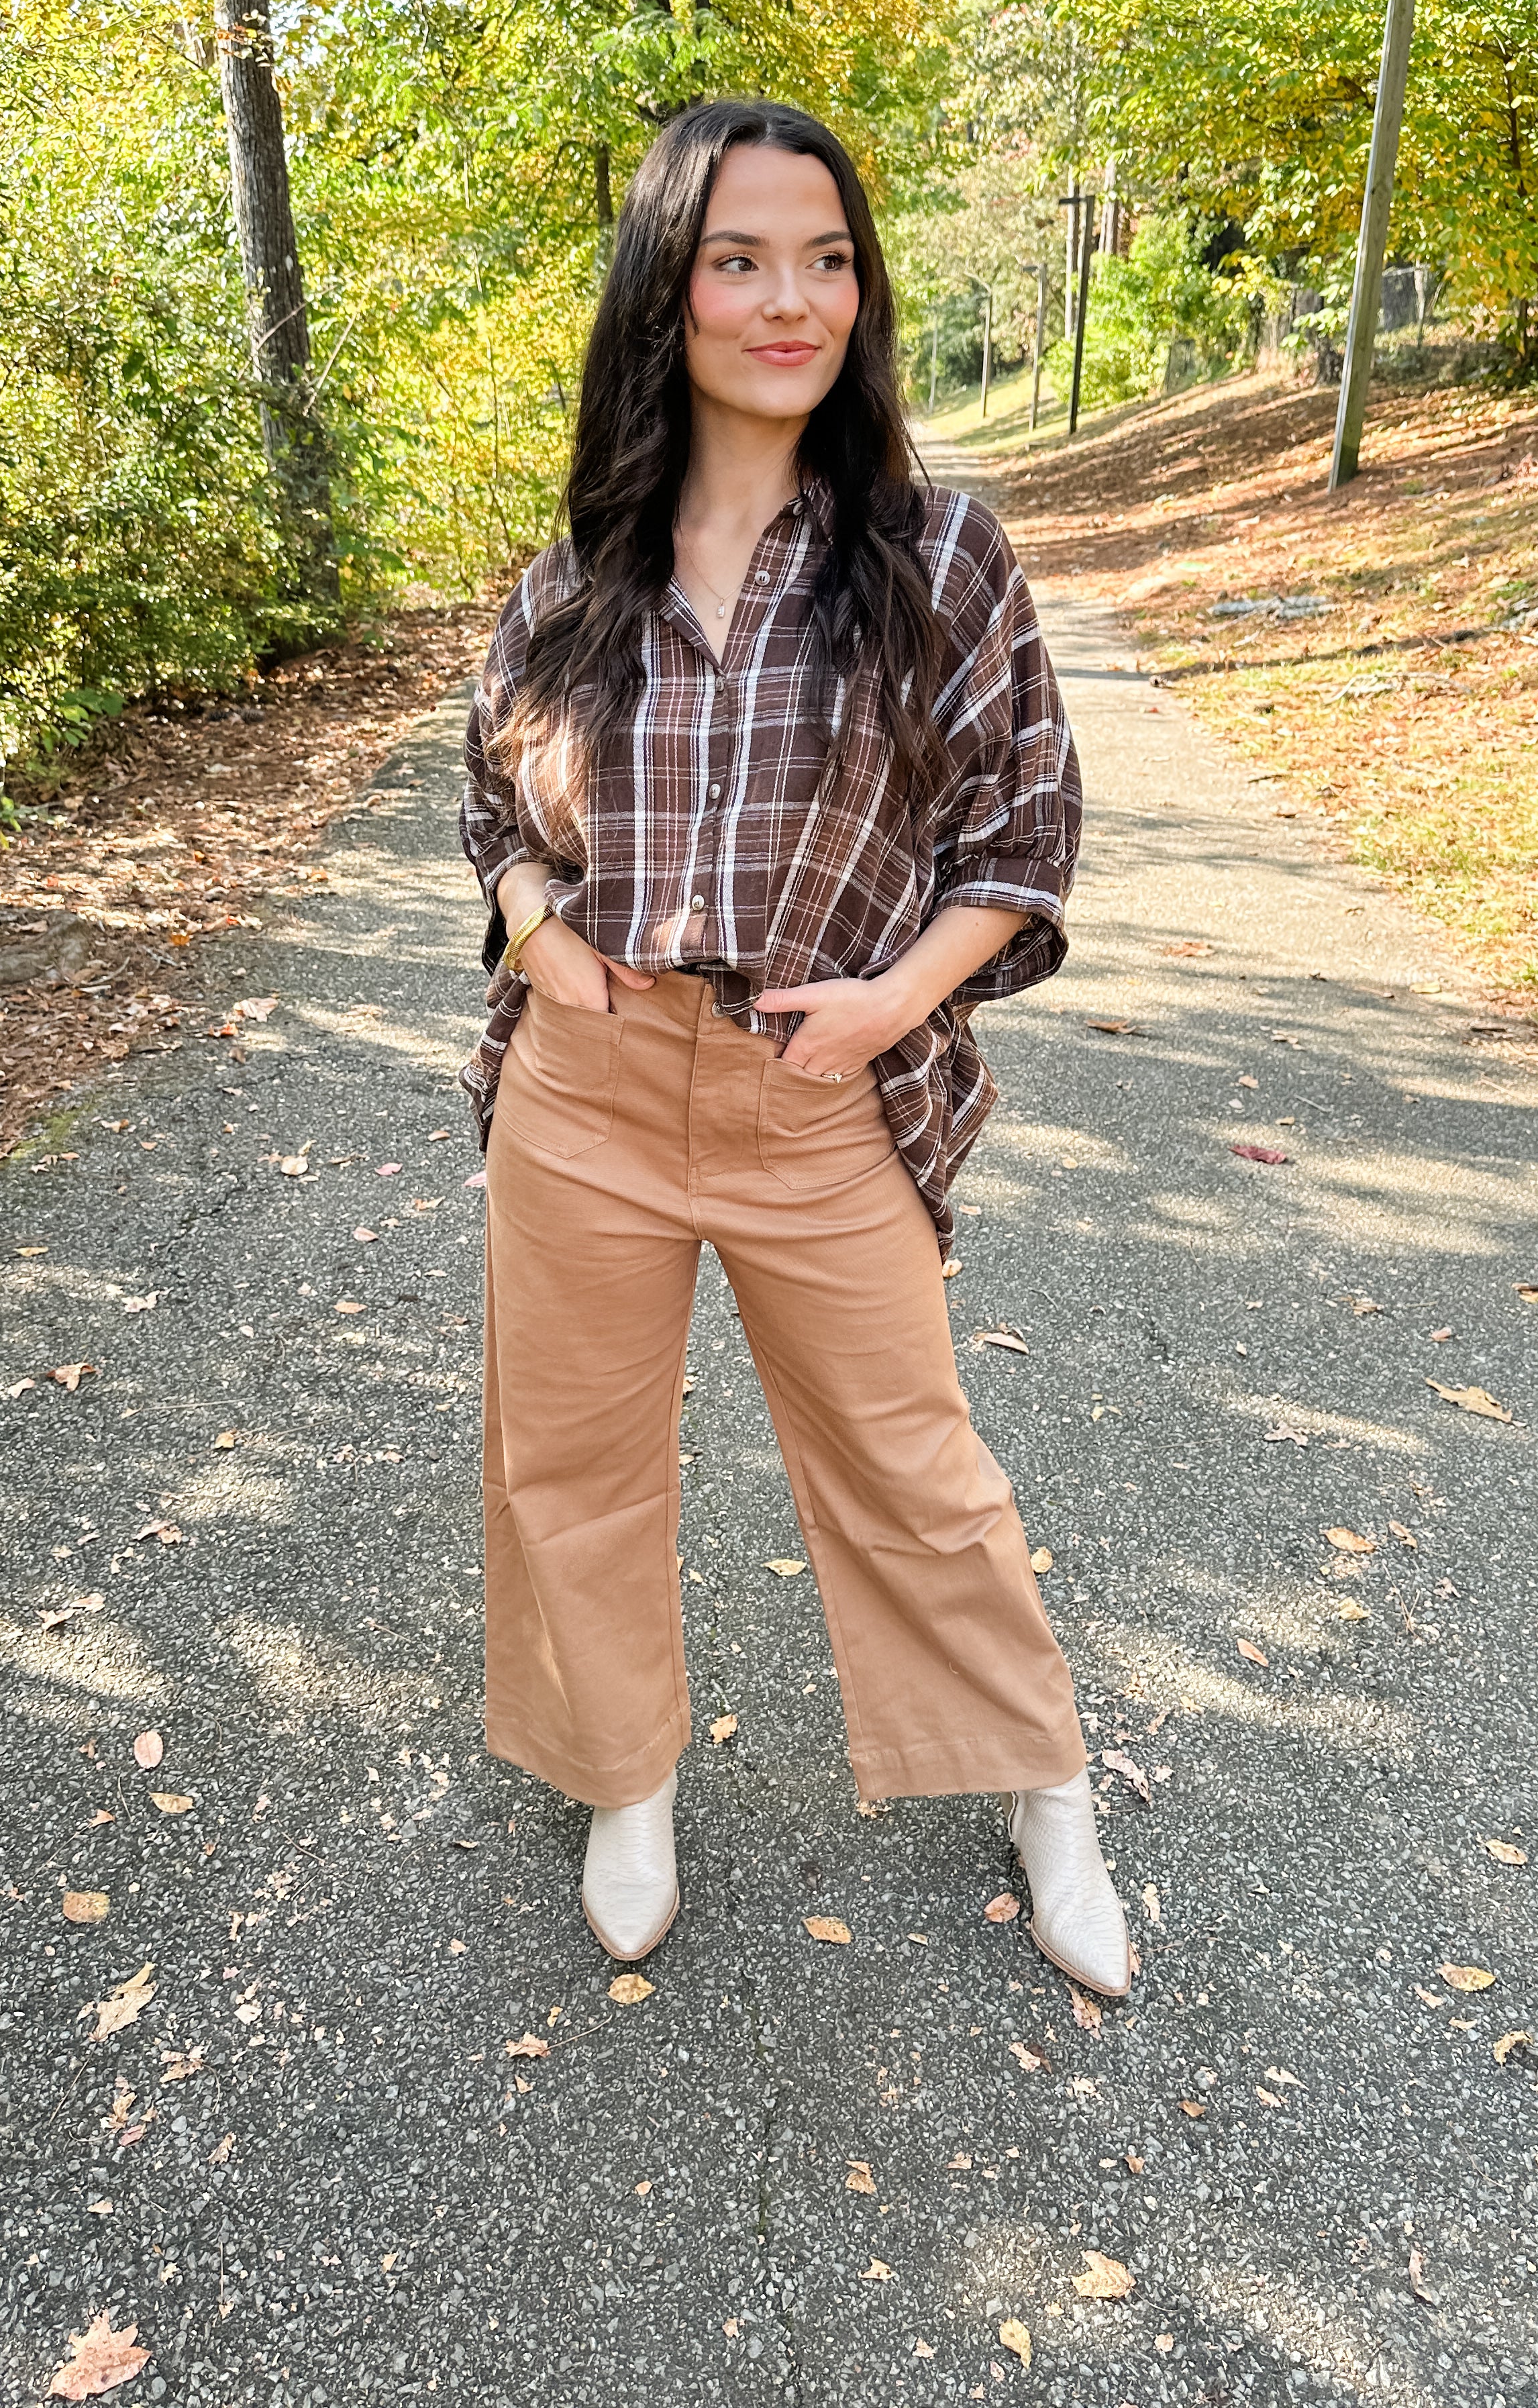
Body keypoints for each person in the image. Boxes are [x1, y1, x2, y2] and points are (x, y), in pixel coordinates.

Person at [458, 97, 1131, 1999]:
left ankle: (1044, 1780)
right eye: (741, 259)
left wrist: (895, 1002)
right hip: (584, 1092)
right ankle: (626, 1778)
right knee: (569, 1463)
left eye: (826, 259)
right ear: (664, 293)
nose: (791, 300)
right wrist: (534, 931)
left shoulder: (939, 553)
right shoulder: (572, 578)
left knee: (918, 1469)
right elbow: (491, 807)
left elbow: (1022, 838)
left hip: (817, 1083)